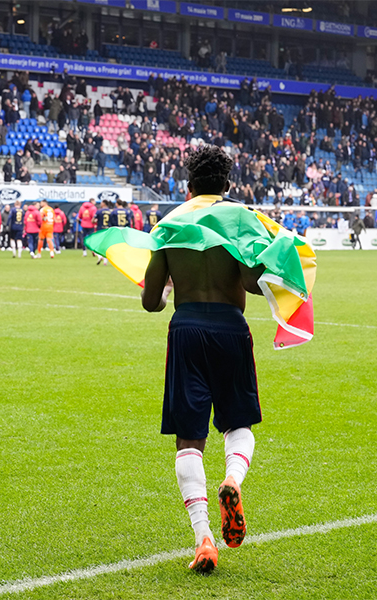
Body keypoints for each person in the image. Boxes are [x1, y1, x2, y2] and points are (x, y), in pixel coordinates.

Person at [139, 146, 265, 574]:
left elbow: (151, 302)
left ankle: (203, 538)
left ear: (188, 185)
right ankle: (233, 479)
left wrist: (169, 287)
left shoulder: (170, 224)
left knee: (188, 437)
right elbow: (253, 283)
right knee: (238, 422)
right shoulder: (241, 219)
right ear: (227, 184)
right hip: (231, 327)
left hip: (187, 328)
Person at [94, 199, 112, 265]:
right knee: (106, 246)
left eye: (101, 203)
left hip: (100, 229)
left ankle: (100, 256)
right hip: (108, 229)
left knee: (97, 244)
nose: (100, 204)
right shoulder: (111, 211)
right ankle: (105, 261)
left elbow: (93, 220)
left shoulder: (99, 211)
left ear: (104, 203)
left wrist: (95, 221)